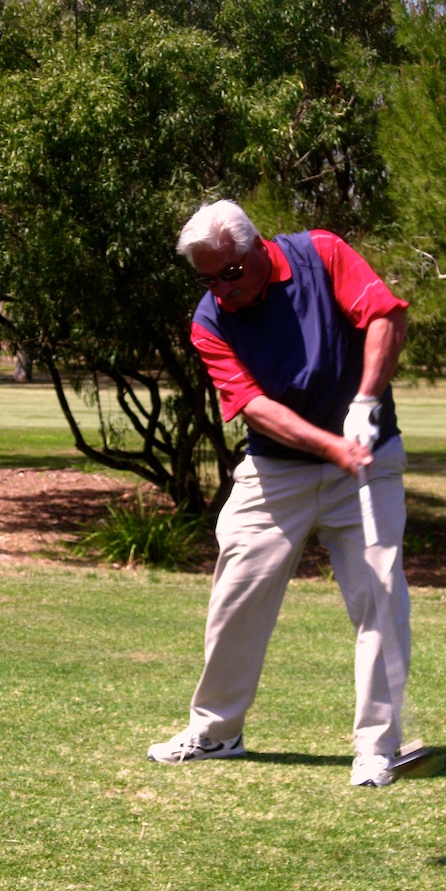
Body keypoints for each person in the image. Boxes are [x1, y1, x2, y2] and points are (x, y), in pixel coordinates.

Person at [147, 200, 411, 787]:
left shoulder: (322, 254)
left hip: (368, 460)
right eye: (208, 279)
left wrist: (366, 401)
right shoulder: (209, 321)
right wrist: (330, 445)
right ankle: (217, 733)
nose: (222, 290)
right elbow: (256, 409)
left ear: (258, 248)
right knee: (236, 593)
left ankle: (377, 748)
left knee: (379, 596)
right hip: (276, 472)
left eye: (231, 274)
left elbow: (386, 318)